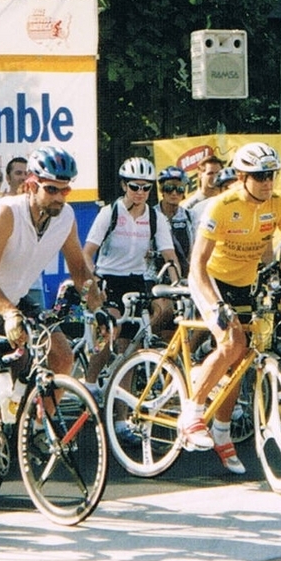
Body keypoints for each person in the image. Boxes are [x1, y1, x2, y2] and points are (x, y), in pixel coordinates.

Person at [0, 146, 104, 512]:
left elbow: (79, 269)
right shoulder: (5, 213)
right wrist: (9, 314)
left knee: (62, 358)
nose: (61, 197)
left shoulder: (64, 218)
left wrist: (100, 308)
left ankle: (26, 422)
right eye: (52, 189)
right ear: (30, 184)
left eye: (66, 190)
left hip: (17, 295)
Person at [185, 142, 281, 475]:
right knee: (233, 344)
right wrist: (216, 305)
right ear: (242, 176)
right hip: (210, 280)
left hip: (244, 284)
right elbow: (197, 264)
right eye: (259, 176)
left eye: (271, 175)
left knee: (241, 361)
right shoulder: (222, 204)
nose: (267, 182)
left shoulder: (279, 201)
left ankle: (221, 431)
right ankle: (192, 412)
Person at [81, 157, 158, 390]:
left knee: (130, 350)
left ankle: (122, 418)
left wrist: (176, 282)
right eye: (135, 186)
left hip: (136, 281)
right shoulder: (110, 212)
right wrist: (93, 282)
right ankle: (90, 385)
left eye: (146, 187)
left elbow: (170, 255)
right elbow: (86, 254)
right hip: (109, 278)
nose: (140, 192)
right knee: (112, 330)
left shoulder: (154, 217)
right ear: (125, 186)